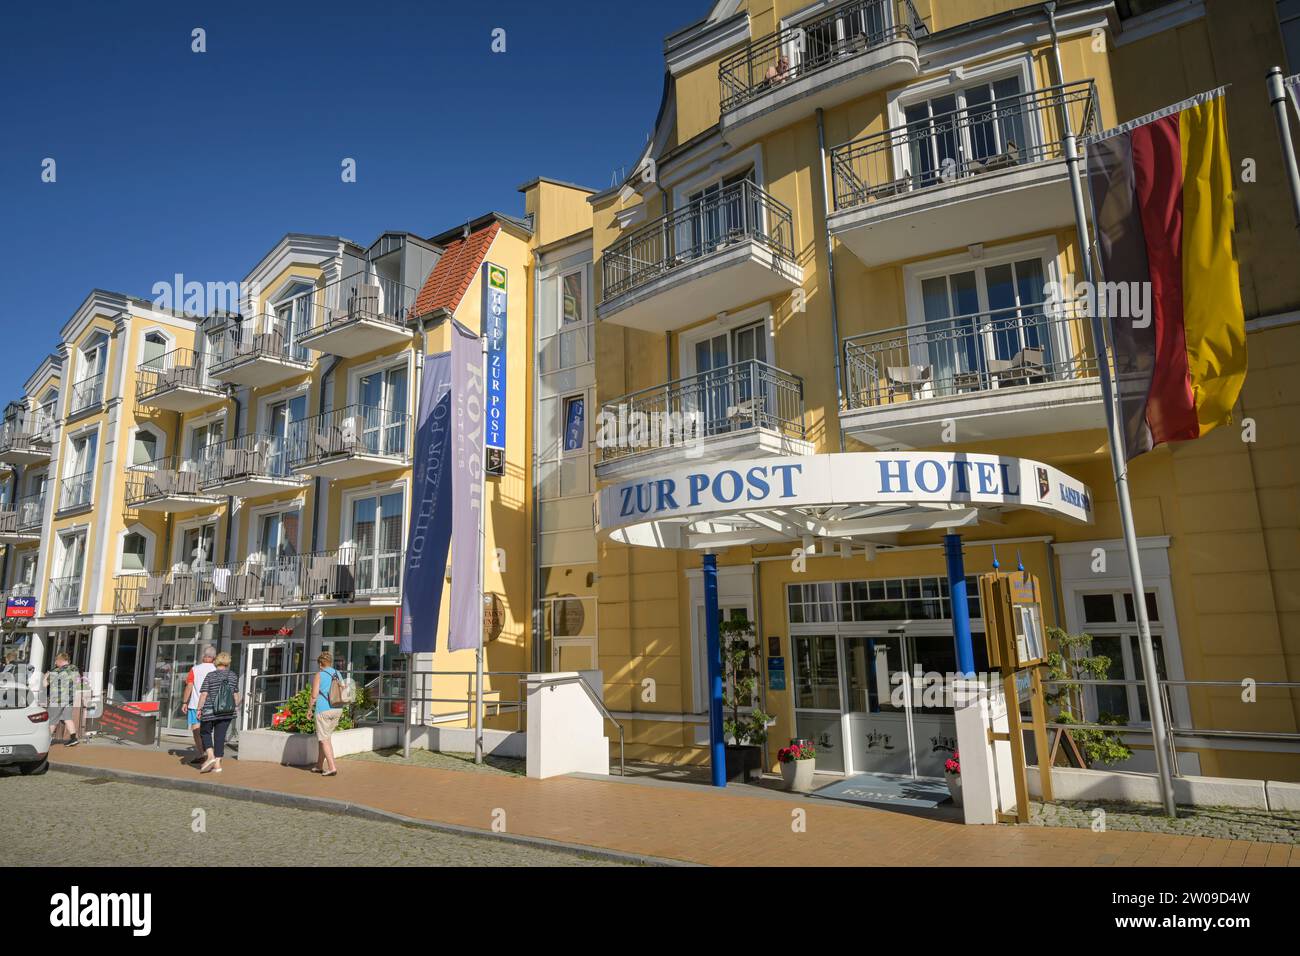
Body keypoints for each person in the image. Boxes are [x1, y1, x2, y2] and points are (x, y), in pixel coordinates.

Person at [195, 652, 240, 773]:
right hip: (227, 711)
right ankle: (218, 765)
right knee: (220, 737)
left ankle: (210, 756)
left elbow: (204, 694)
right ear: (228, 663)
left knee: (205, 732)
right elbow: (236, 694)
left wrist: (199, 709)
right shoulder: (233, 676)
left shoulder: (210, 675)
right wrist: (236, 707)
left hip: (210, 710)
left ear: (216, 661)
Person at [311, 651, 343, 777]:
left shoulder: (319, 674)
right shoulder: (337, 673)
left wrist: (309, 709)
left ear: (320, 663)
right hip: (337, 708)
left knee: (324, 740)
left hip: (323, 710)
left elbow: (314, 695)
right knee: (325, 739)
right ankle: (319, 765)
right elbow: (343, 688)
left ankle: (331, 767)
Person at [186, 647, 218, 763]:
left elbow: (189, 686)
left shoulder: (194, 669)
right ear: (214, 657)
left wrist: (185, 702)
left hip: (195, 704)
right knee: (209, 731)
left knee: (196, 730)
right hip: (213, 705)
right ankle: (213, 755)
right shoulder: (217, 669)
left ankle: (201, 754)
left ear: (203, 656)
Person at [43, 653, 81, 746]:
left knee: (52, 719)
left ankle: (46, 740)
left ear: (60, 660)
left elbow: (45, 685)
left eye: (56, 661)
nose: (55, 663)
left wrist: (45, 677)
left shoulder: (55, 671)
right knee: (67, 718)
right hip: (70, 698)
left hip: (57, 699)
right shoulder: (74, 669)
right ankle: (73, 738)